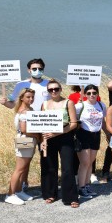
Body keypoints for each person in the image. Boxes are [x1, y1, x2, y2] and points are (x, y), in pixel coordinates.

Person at [0, 58, 48, 191]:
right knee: (23, 163)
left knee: (43, 156)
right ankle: (20, 187)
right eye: (34, 69)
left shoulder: (48, 84)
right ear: (29, 70)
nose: (37, 71)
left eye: (40, 68)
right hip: (26, 130)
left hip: (44, 125)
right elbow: (13, 104)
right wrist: (5, 103)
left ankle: (45, 184)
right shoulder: (21, 85)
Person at [40, 79, 80, 207]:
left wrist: (57, 133)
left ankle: (71, 197)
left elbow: (74, 123)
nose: (53, 91)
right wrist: (43, 140)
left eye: (56, 89)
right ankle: (50, 194)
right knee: (49, 167)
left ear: (61, 89)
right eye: (51, 89)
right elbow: (41, 123)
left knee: (67, 168)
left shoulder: (68, 102)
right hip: (48, 138)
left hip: (65, 137)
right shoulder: (44, 104)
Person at [5, 88, 39, 205]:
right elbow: (24, 130)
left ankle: (19, 191)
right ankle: (10, 194)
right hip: (25, 139)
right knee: (19, 169)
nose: (31, 99)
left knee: (24, 167)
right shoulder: (24, 111)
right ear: (22, 98)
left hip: (30, 139)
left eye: (32, 97)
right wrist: (37, 136)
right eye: (28, 97)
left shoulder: (30, 109)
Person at [74, 84, 108, 199]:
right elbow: (71, 117)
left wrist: (107, 134)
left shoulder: (101, 105)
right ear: (85, 94)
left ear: (97, 94)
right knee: (84, 163)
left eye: (94, 93)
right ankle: (81, 187)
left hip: (96, 135)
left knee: (90, 163)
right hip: (83, 135)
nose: (92, 95)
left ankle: (87, 185)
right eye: (89, 93)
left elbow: (103, 121)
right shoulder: (80, 105)